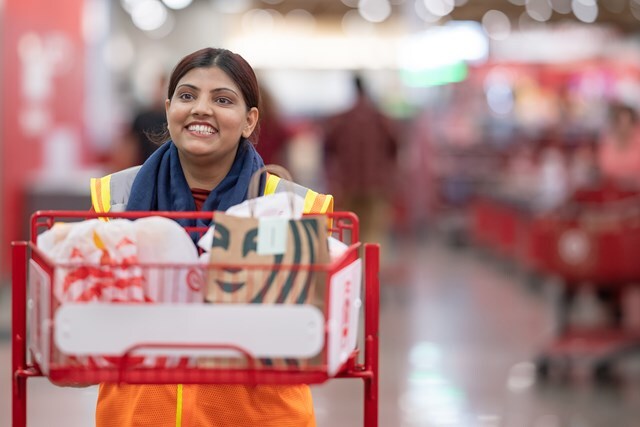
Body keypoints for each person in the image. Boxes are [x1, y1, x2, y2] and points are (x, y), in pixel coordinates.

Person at [89, 47, 333, 427]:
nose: (201, 109)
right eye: (187, 96)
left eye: (222, 100)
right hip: (138, 416)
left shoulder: (294, 208)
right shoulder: (113, 198)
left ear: (250, 120)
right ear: (169, 108)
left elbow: (320, 335)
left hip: (261, 418)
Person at [323, 73, 400, 245]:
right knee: (373, 233)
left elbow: (328, 150)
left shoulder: (341, 120)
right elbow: (394, 147)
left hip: (348, 184)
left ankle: (355, 268)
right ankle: (370, 268)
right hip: (377, 185)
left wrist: (333, 177)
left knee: (350, 231)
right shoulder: (381, 119)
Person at [596, 102, 640, 188]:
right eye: (620, 122)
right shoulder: (606, 143)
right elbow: (603, 169)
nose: (624, 127)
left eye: (628, 122)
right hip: (614, 192)